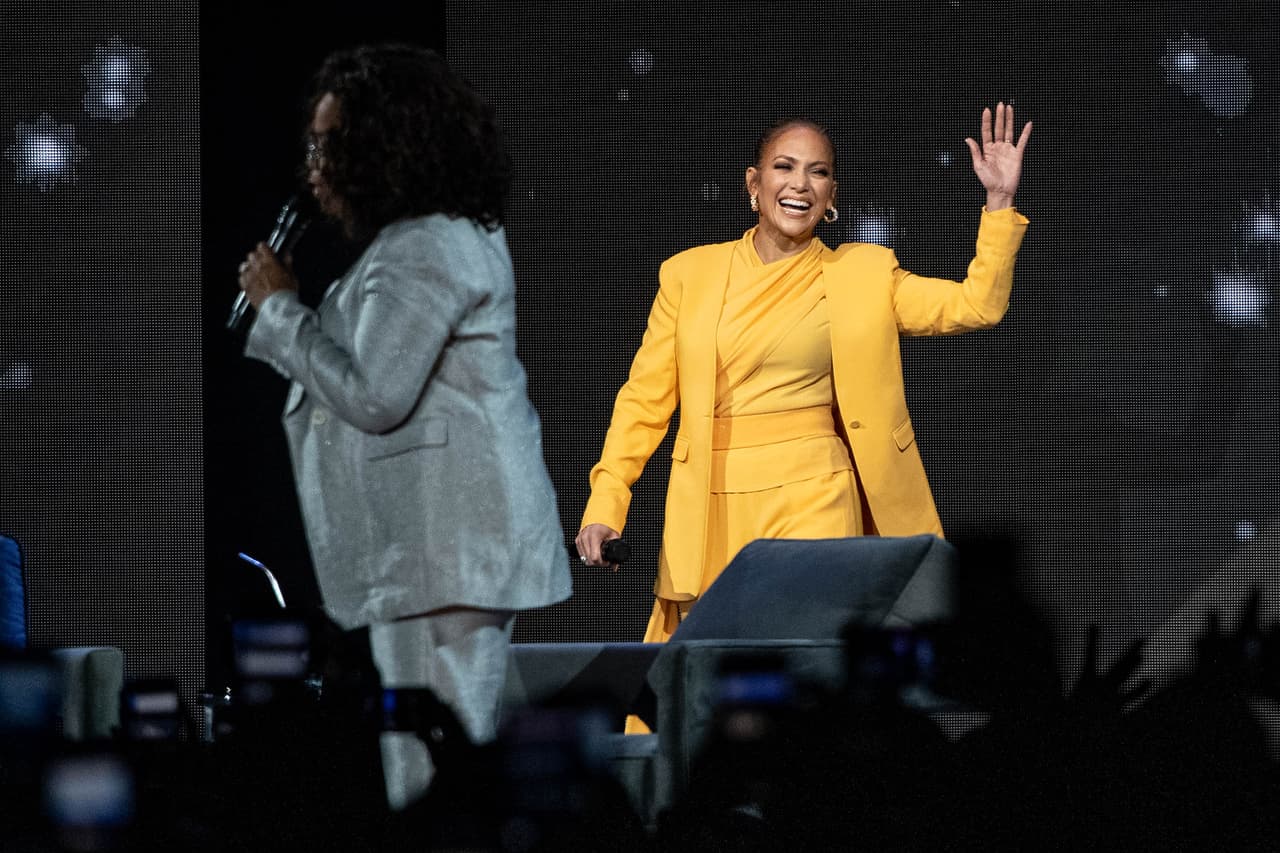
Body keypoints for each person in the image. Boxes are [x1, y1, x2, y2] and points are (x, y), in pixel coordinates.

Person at [576, 104, 1032, 684]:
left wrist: (999, 203)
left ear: (831, 194)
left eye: (818, 172)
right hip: (712, 502)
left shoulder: (865, 273)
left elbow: (976, 305)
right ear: (754, 182)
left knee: (808, 666)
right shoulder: (689, 275)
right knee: (713, 681)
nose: (800, 184)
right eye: (784, 167)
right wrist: (606, 504)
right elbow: (643, 402)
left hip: (816, 492)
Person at [236, 43, 571, 808]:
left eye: (330, 144)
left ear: (387, 144)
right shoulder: (440, 235)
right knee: (446, 763)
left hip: (443, 551)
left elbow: (375, 395)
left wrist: (280, 310)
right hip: (445, 549)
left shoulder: (424, 246)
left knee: (430, 775)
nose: (314, 165)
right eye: (313, 145)